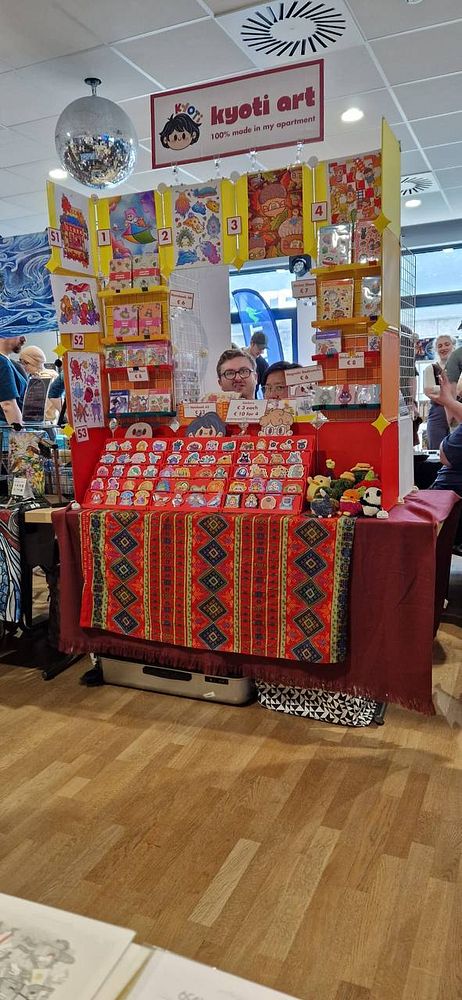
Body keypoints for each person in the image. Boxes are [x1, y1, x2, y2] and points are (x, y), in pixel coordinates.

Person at [427, 370, 462, 552]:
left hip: (449, 504)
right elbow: (454, 425)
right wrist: (448, 399)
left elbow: (445, 456)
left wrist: (448, 400)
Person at [424, 335, 456, 448]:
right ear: (436, 350)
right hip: (438, 413)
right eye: (440, 346)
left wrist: (440, 389)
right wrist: (452, 391)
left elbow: (434, 389)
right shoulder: (430, 369)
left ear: (454, 346)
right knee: (437, 450)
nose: (443, 348)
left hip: (458, 412)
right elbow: (428, 391)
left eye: (447, 344)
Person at [0, 335, 27, 427]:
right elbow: (8, 405)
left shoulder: (9, 363)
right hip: (6, 429)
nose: (24, 339)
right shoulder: (2, 362)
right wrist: (21, 434)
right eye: (20, 334)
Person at [246, 331, 268, 396]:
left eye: (263, 349)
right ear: (251, 343)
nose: (261, 352)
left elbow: (265, 386)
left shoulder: (262, 364)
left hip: (253, 400)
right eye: (259, 348)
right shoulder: (237, 357)